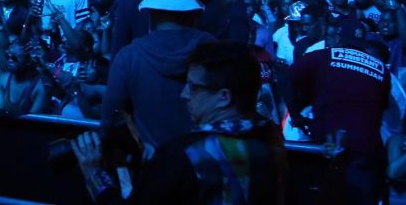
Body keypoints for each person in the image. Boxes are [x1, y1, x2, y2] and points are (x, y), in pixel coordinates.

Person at [76, 39, 285, 204]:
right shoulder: (271, 141)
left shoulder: (185, 154)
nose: (185, 94)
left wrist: (95, 176)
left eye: (194, 87)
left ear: (224, 97)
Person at [99, 0, 213, 153]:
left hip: (152, 169)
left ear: (150, 13)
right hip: (205, 166)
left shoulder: (129, 57)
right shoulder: (213, 50)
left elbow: (110, 121)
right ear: (193, 12)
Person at [290, 17, 392, 204]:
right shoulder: (381, 69)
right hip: (366, 151)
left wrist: (295, 114)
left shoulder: (325, 55)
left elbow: (286, 76)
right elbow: (382, 107)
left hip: (329, 147)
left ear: (338, 38)